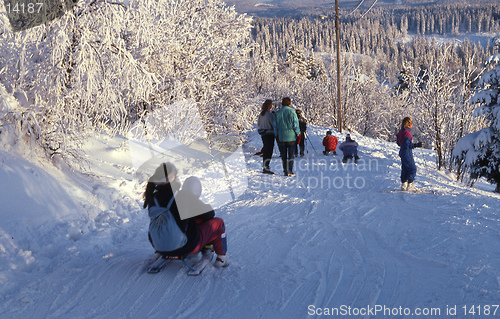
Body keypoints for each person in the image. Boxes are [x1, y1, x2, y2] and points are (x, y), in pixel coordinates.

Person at [144, 163, 228, 267]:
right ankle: (221, 260)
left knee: (160, 223)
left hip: (159, 247)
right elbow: (208, 214)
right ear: (171, 176)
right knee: (218, 223)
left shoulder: (152, 199)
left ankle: (158, 252)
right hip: (186, 247)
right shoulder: (182, 195)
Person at [273, 97, 300, 176]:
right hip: (291, 136)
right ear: (289, 103)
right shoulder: (292, 112)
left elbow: (275, 126)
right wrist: (298, 133)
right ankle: (290, 170)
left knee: (283, 155)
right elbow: (295, 124)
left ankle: (285, 170)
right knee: (291, 155)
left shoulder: (277, 113)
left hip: (281, 137)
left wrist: (276, 135)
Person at [396, 117, 422, 192]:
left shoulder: (401, 132)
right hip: (407, 152)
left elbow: (398, 142)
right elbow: (407, 145)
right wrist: (416, 145)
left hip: (402, 152)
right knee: (412, 168)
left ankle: (404, 184)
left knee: (405, 167)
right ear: (409, 124)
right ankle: (410, 185)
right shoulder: (407, 133)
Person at [257, 99, 275, 174]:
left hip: (263, 134)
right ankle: (266, 166)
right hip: (270, 133)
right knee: (269, 150)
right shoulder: (269, 114)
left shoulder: (261, 114)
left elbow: (258, 124)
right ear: (269, 106)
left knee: (265, 149)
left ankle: (265, 165)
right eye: (271, 105)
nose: (272, 106)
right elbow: (273, 124)